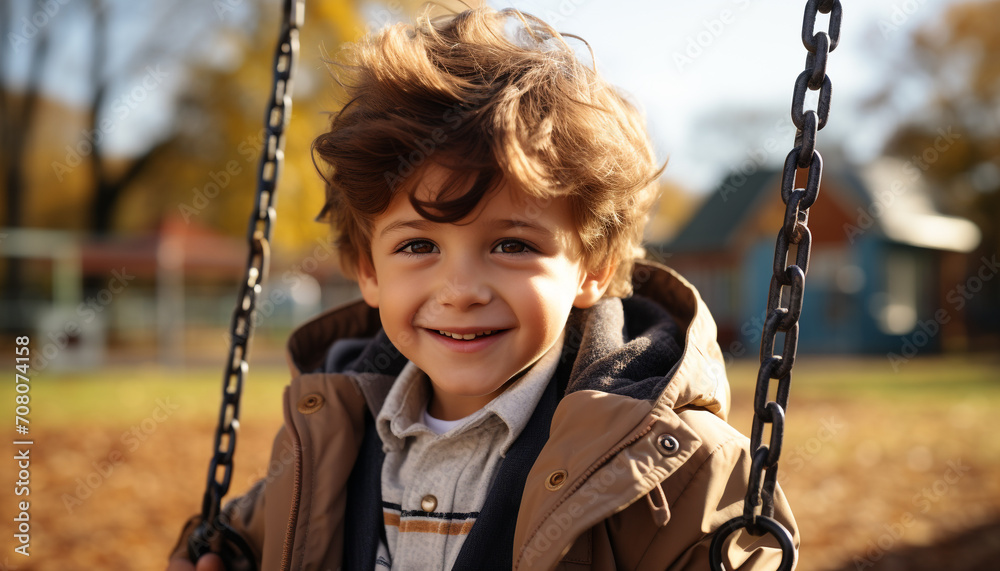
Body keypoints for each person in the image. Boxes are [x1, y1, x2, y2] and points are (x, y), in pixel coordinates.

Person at [168, 6, 797, 571]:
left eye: (512, 245)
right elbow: (252, 543)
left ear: (593, 269)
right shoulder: (329, 432)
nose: (462, 289)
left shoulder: (673, 472)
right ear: (368, 270)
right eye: (418, 246)